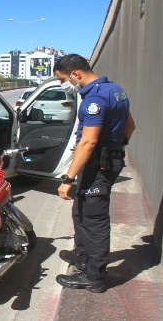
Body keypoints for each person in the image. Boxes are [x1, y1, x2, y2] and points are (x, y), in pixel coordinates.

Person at [52, 54, 136, 293]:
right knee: (81, 209)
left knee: (94, 220)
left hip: (97, 165)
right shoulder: (115, 90)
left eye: (63, 80)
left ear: (76, 74)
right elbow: (130, 125)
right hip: (105, 161)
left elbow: (88, 142)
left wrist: (68, 179)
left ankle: (94, 276)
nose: (63, 85)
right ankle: (83, 255)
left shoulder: (95, 99)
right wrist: (116, 147)